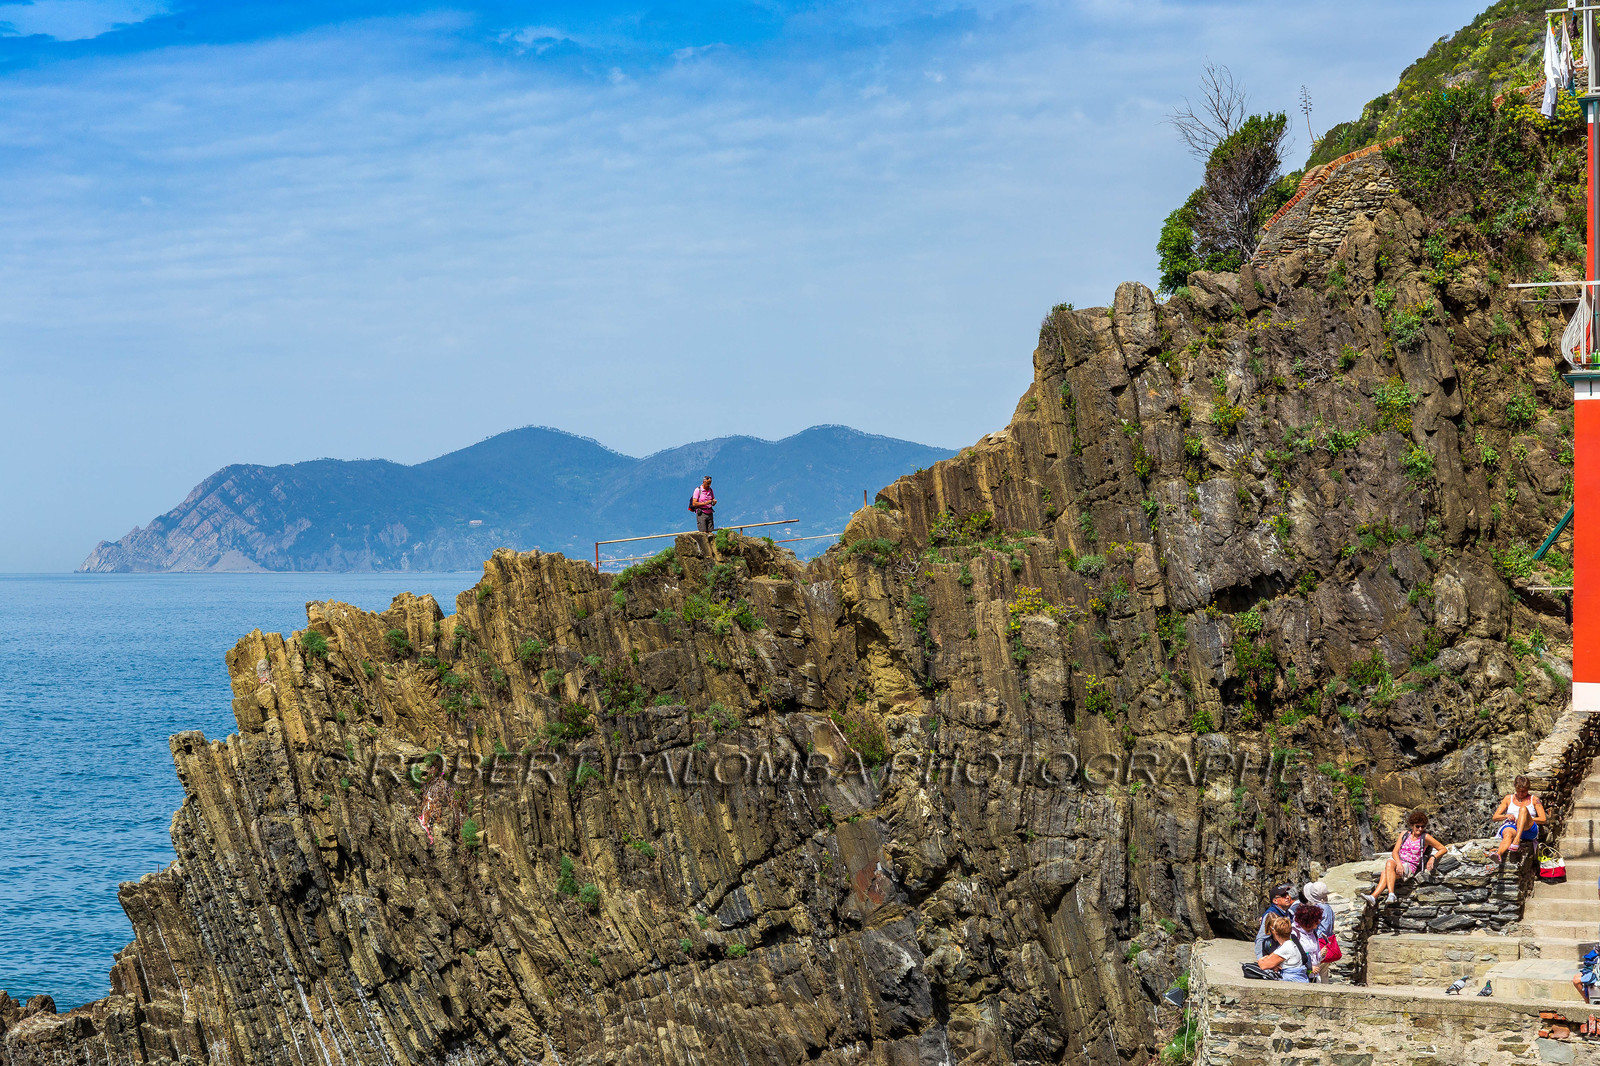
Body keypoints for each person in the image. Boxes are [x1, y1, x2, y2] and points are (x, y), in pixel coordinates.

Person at [1361, 809, 1448, 905]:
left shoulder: (1425, 837)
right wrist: (1399, 864)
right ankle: (1383, 896)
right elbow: (1395, 852)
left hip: (1411, 866)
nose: (1420, 829)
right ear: (1412, 825)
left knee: (1385, 873)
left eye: (1422, 826)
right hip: (1399, 862)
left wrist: (1432, 858)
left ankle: (1381, 896)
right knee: (1388, 866)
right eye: (1417, 826)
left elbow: (1443, 849)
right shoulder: (1404, 834)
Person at [1492, 775, 1545, 862]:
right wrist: (1506, 816)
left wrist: (1523, 819)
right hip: (1513, 826)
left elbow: (1543, 819)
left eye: (1523, 791)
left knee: (1523, 809)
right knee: (1507, 834)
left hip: (1528, 828)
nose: (1520, 794)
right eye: (1518, 791)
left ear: (1528, 789)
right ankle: (1498, 854)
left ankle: (1516, 840)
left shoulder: (1534, 799)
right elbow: (1495, 817)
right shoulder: (1508, 798)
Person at [1255, 914, 1312, 983]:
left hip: (1292, 981)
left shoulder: (1285, 947)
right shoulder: (1290, 944)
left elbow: (1263, 965)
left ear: (1275, 932)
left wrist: (1263, 959)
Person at [1301, 883, 1337, 978]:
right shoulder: (1329, 908)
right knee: (1324, 973)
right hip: (1327, 942)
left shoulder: (1318, 909)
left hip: (1318, 944)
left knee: (1316, 972)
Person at [1254, 883, 1295, 957]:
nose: (1288, 897)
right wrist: (1261, 960)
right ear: (1275, 901)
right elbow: (1261, 938)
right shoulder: (1271, 915)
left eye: (1287, 895)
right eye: (1283, 896)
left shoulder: (1288, 913)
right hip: (1274, 955)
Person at [1292, 903, 1324, 981]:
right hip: (1301, 975)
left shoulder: (1313, 934)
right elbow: (1295, 956)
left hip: (1314, 975)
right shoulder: (1294, 933)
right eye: (1316, 920)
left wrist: (1321, 954)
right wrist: (1309, 967)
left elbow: (1315, 956)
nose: (1318, 922)